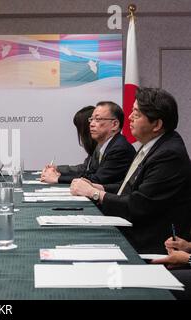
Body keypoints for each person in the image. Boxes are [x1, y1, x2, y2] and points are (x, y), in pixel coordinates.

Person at [70, 87, 191, 253]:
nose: (129, 118)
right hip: (134, 231)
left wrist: (95, 194)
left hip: (151, 243)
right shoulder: (154, 144)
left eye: (136, 114)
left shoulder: (169, 154)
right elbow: (131, 186)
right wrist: (100, 187)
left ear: (156, 124)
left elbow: (138, 205)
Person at [41, 101, 135, 184]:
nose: (91, 124)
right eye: (91, 119)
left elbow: (96, 180)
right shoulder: (103, 144)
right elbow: (87, 172)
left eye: (97, 120)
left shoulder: (120, 149)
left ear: (114, 124)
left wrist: (58, 178)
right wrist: (59, 173)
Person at [41, 106, 96, 183]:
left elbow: (92, 177)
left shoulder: (105, 148)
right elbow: (84, 168)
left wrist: (58, 178)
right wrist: (57, 169)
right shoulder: (96, 148)